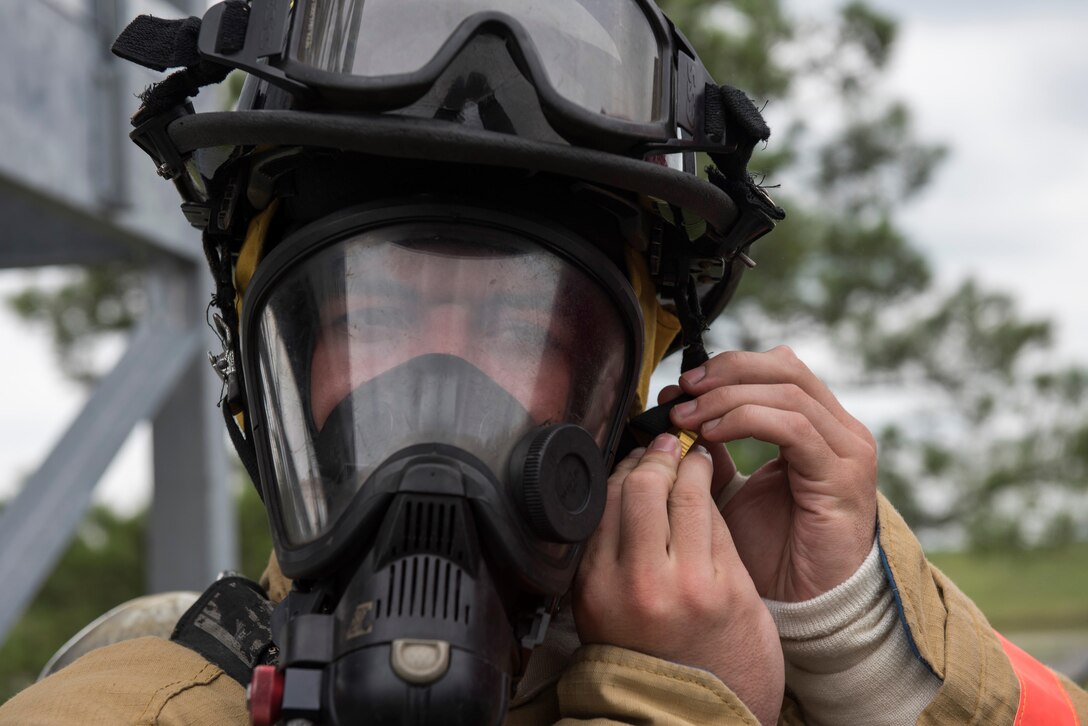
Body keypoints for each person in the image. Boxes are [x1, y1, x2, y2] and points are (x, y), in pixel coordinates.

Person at [2, 0, 1086, 724]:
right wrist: (687, 701)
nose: (436, 388)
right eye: (377, 317)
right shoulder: (134, 701)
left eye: (516, 330)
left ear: (632, 383)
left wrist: (850, 645)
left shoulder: (798, 656)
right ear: (266, 360)